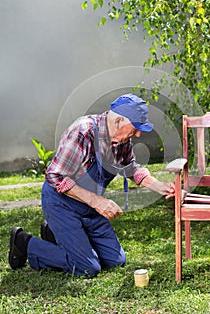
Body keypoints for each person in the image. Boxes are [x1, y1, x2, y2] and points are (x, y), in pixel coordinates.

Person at [9, 93, 175, 276]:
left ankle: (55, 233)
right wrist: (97, 202)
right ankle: (25, 243)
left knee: (116, 261)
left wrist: (159, 186)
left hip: (88, 207)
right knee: (88, 268)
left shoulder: (122, 140)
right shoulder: (83, 131)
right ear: (119, 120)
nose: (138, 134)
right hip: (61, 203)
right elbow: (55, 176)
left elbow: (130, 168)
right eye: (135, 127)